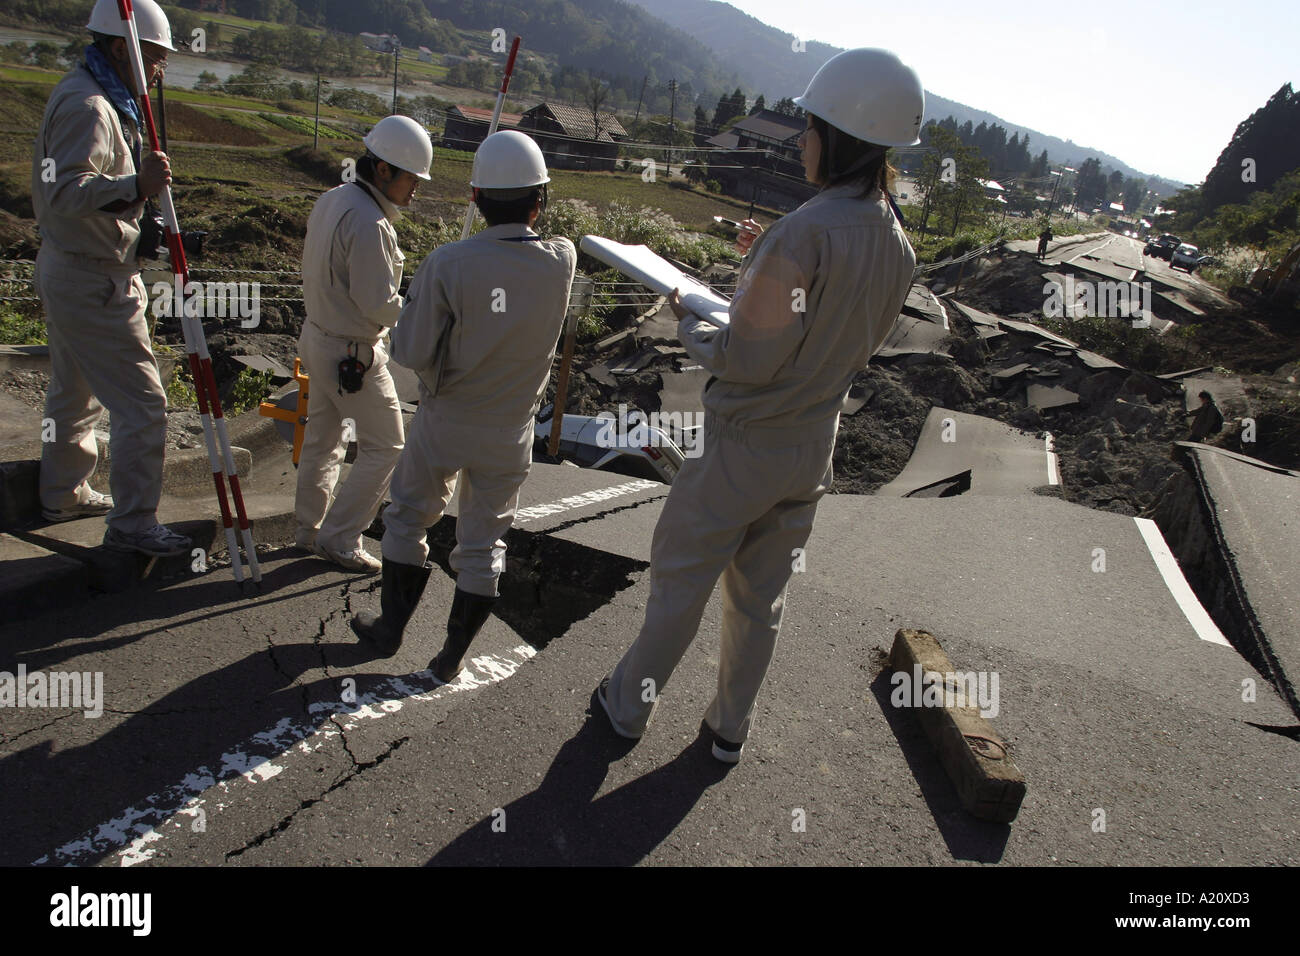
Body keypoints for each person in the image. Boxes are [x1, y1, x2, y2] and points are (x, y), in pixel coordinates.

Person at [595, 48, 921, 764]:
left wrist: (687, 317)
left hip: (743, 442)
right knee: (760, 598)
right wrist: (762, 265)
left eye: (808, 126)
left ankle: (624, 712)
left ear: (837, 134)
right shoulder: (894, 239)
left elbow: (749, 356)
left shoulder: (803, 232)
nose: (800, 139)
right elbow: (832, 324)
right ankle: (726, 731)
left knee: (682, 582)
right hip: (811, 445)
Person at [351, 130, 577, 681]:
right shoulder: (561, 260)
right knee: (483, 542)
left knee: (406, 519)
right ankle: (450, 658)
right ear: (539, 199)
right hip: (511, 431)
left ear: (474, 198)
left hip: (446, 417)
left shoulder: (450, 262)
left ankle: (388, 631)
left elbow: (410, 350)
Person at [31, 0, 191, 557]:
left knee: (74, 391)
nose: (160, 69)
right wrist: (136, 188)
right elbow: (64, 190)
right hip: (93, 277)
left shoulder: (96, 93)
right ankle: (134, 523)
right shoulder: (91, 106)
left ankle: (63, 491)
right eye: (155, 56)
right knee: (143, 405)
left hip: (77, 267)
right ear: (121, 46)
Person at [295, 115, 433, 572]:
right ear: (383, 170)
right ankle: (340, 538)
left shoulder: (335, 198)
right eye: (412, 179)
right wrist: (427, 313)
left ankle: (309, 530)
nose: (416, 190)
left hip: (318, 337)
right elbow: (377, 304)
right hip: (351, 351)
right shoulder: (370, 221)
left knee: (323, 437)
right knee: (386, 446)